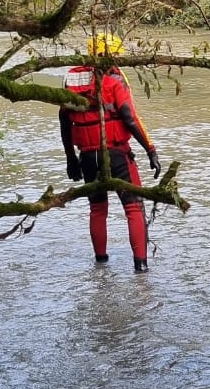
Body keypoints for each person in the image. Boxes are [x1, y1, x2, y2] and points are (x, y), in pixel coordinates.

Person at [60, 34, 161, 270]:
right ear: (108, 55)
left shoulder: (71, 79)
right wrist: (151, 149)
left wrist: (70, 158)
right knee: (134, 206)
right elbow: (130, 117)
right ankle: (141, 267)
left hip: (87, 156)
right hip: (116, 153)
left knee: (97, 209)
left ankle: (101, 264)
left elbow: (64, 120)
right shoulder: (115, 80)